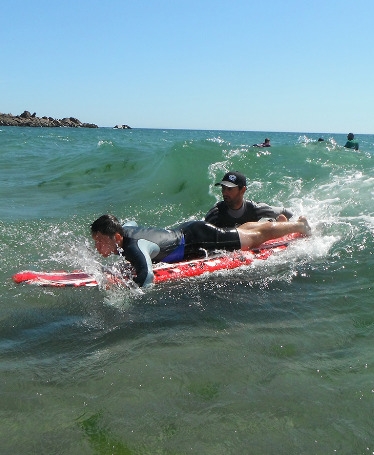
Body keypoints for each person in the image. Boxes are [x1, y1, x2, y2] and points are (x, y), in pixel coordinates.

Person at [91, 214, 311, 287]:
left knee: (252, 240)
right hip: (188, 231)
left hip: (197, 239)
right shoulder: (124, 233)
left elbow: (147, 276)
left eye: (100, 241)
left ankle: (297, 225)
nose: (97, 246)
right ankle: (276, 223)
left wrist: (126, 289)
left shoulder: (133, 246)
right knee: (236, 235)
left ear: (117, 237)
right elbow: (130, 222)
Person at [204, 171, 293, 228]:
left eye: (229, 189)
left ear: (242, 190)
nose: (224, 192)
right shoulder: (215, 213)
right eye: (223, 188)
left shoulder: (255, 208)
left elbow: (287, 212)